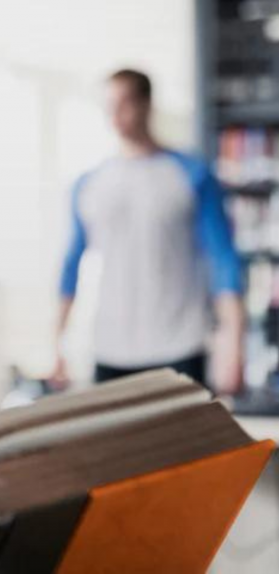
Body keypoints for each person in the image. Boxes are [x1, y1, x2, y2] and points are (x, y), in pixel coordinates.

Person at [52, 69, 243, 393]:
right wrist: (57, 345)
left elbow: (223, 260)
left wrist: (233, 342)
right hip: (111, 349)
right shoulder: (88, 185)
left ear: (146, 104)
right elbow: (71, 266)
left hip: (181, 345)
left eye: (125, 103)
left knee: (187, 445)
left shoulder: (191, 174)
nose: (116, 113)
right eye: (109, 105)